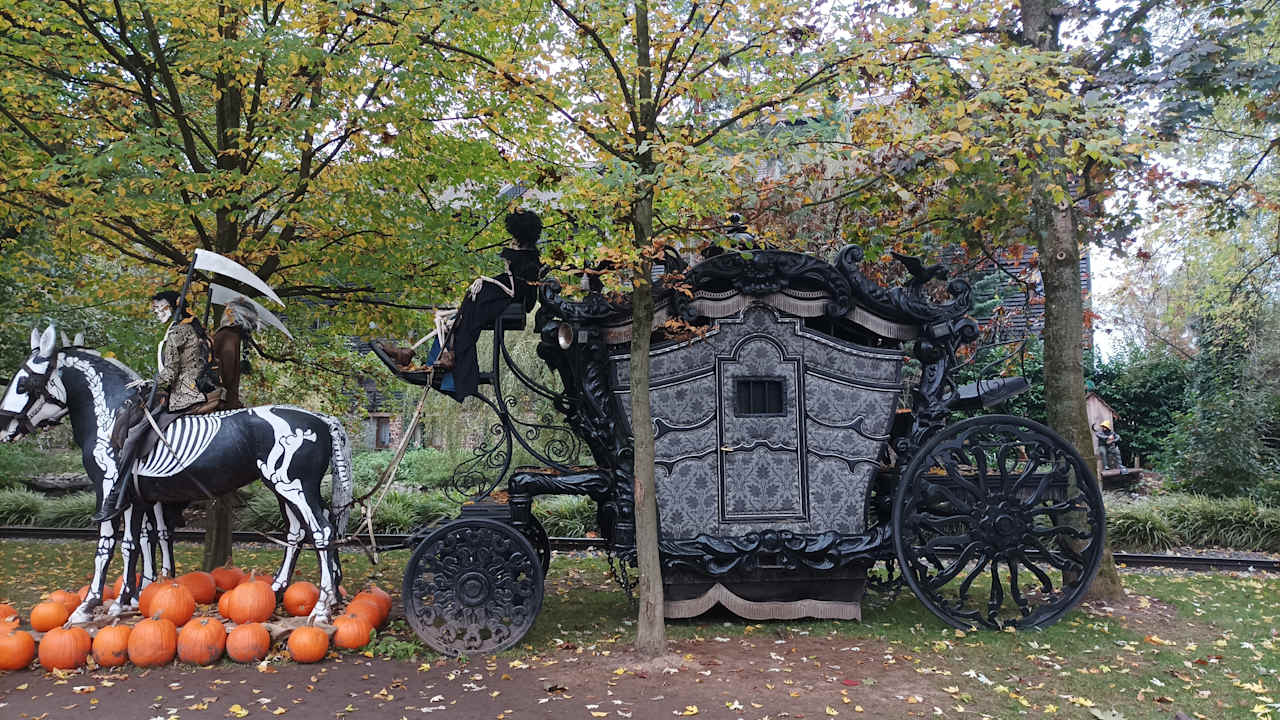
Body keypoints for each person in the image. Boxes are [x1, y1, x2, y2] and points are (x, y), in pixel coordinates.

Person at [93, 289, 222, 521]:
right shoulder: (190, 326)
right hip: (193, 389)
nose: (157, 311)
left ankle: (115, 495)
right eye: (155, 308)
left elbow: (172, 371)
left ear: (175, 305)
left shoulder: (178, 331)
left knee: (134, 435)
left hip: (185, 394)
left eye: (161, 306)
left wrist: (151, 383)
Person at [428, 210, 543, 401]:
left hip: (510, 299)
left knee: (471, 306)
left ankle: (451, 355)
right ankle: (448, 353)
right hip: (508, 297)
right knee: (465, 311)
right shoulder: (529, 256)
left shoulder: (526, 258)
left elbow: (523, 291)